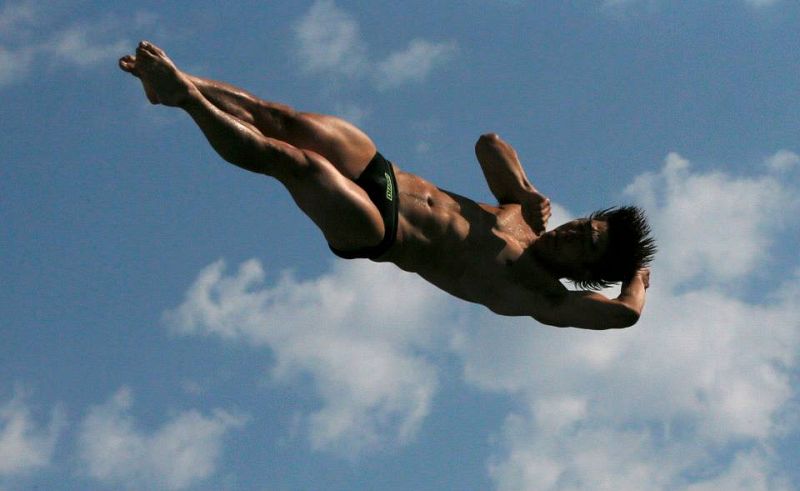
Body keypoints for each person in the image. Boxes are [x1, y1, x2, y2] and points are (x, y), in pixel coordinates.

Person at [119, 41, 656, 330]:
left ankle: (183, 97)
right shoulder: (522, 214)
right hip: (385, 173)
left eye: (585, 244)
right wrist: (526, 186)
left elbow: (625, 315)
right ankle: (174, 80)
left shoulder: (543, 298)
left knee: (292, 162)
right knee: (277, 116)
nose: (572, 232)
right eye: (584, 224)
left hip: (382, 230)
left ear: (588, 274)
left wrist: (635, 274)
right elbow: (489, 143)